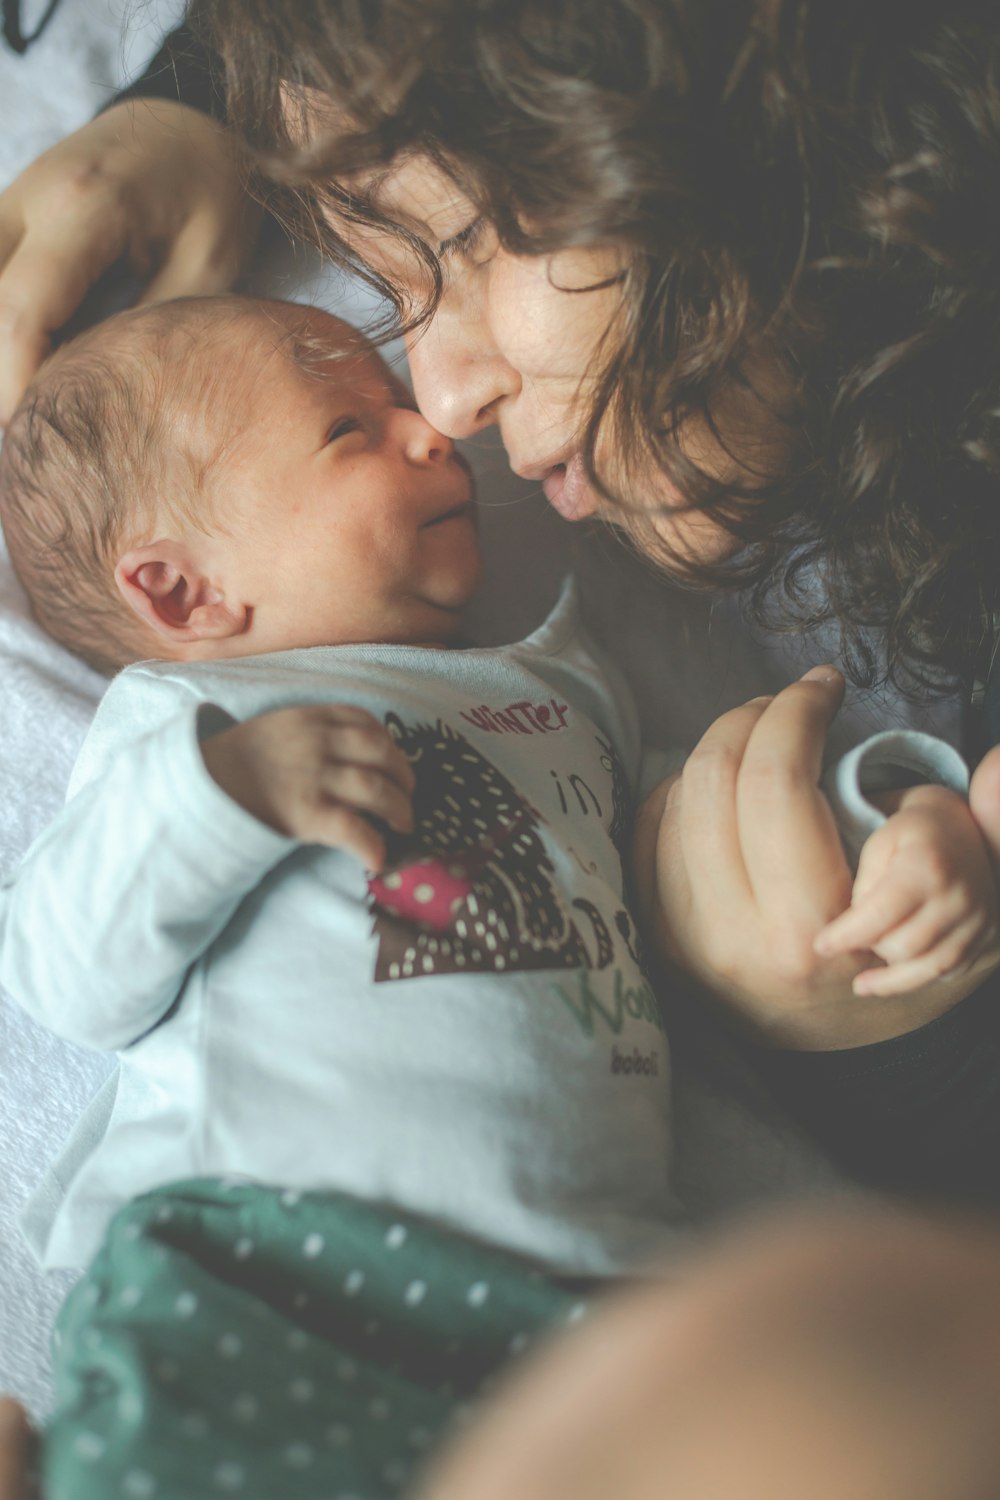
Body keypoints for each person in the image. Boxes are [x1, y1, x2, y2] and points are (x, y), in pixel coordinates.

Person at [3, 0, 1000, 1491]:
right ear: (181, 593)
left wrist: (895, 855)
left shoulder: (562, 678)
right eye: (355, 416)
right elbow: (66, 963)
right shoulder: (191, 726)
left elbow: (704, 814)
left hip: (594, 1294)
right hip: (277, 1263)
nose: (440, 403)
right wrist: (205, 93)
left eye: (468, 244)